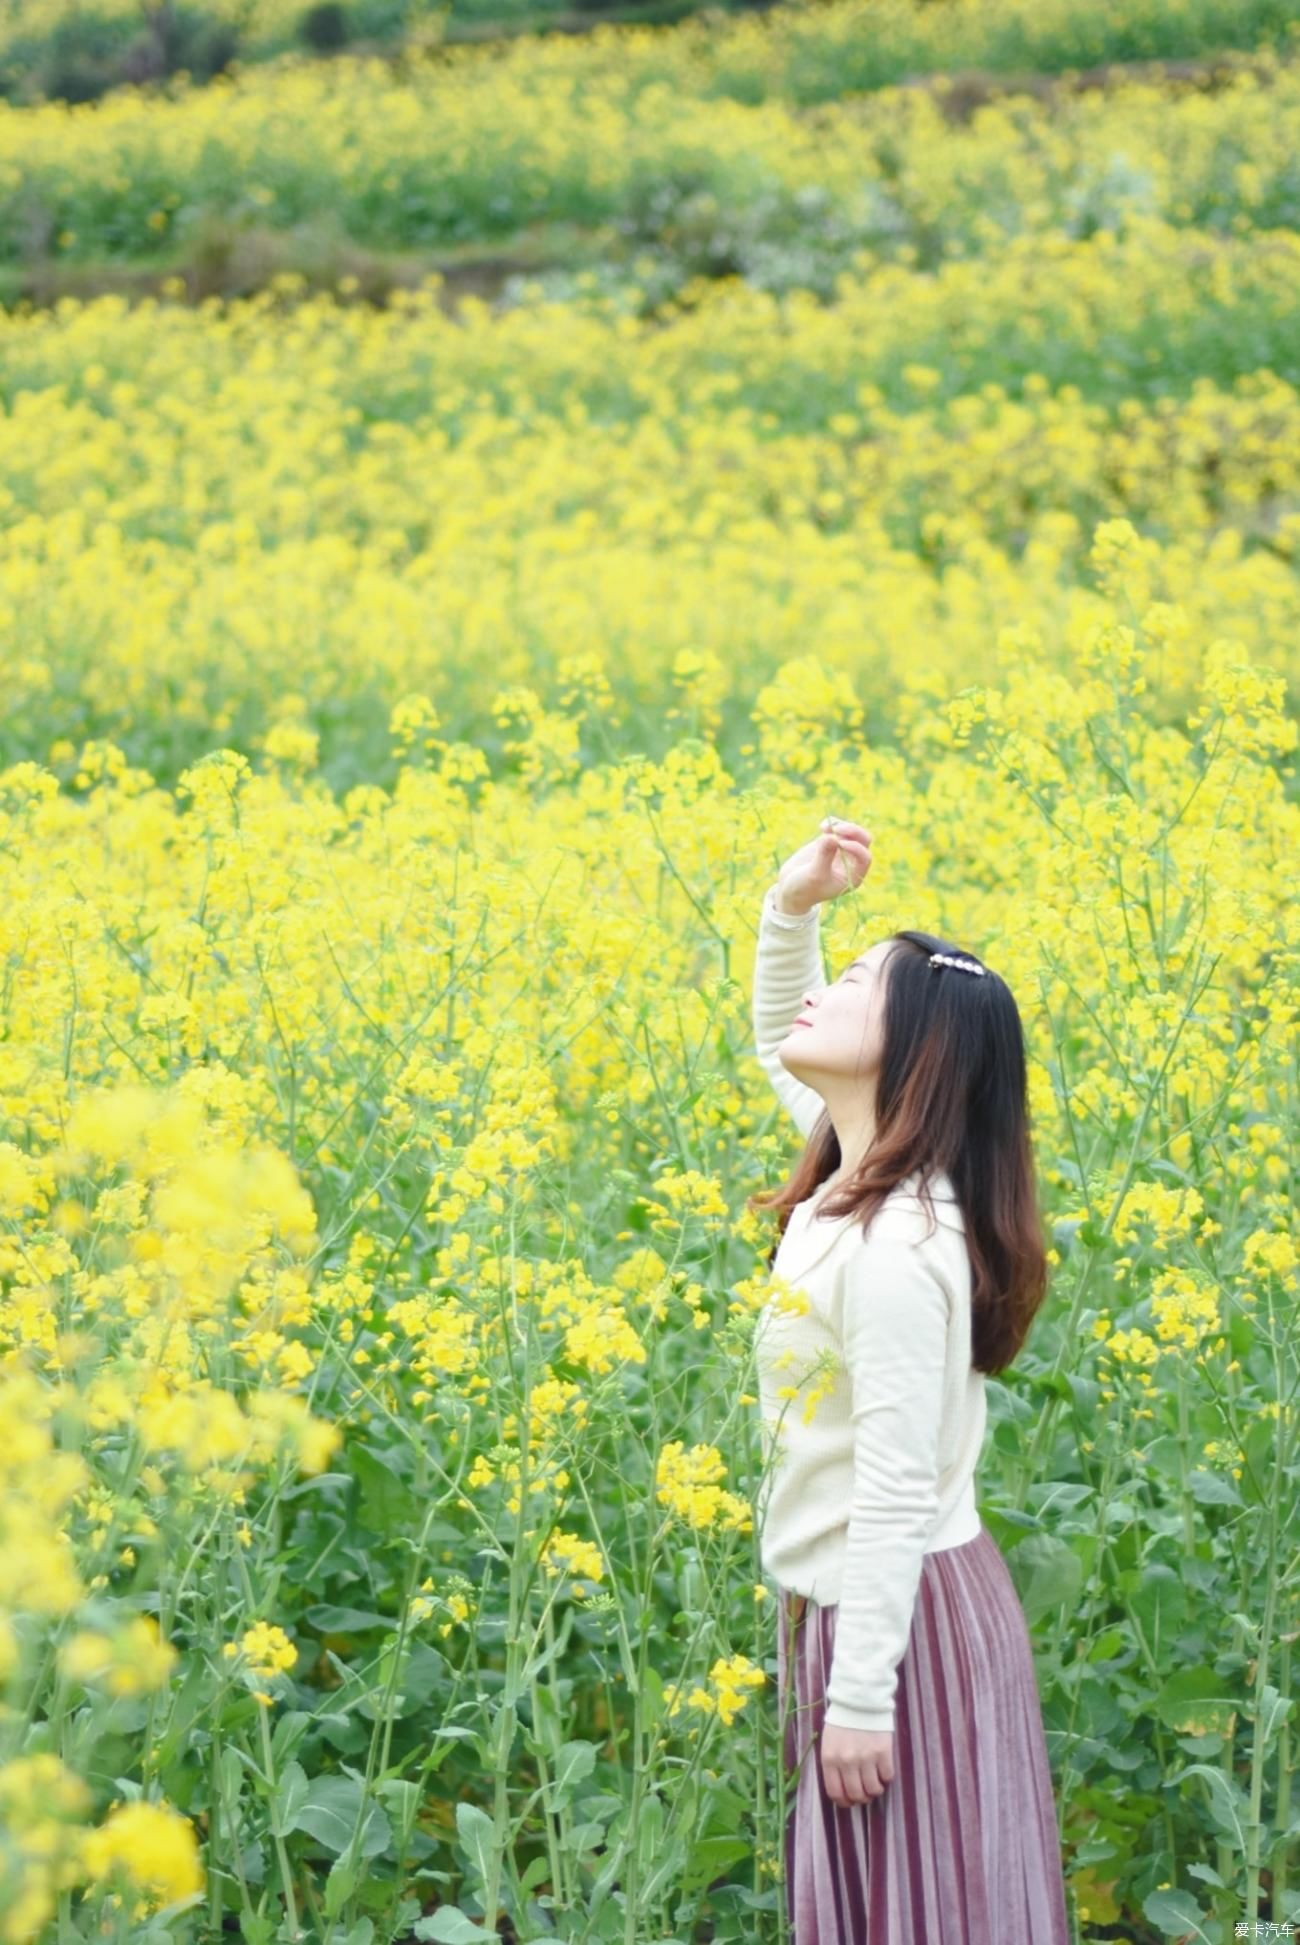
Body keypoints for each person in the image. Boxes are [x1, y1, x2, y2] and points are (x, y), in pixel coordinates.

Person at [750, 815, 1071, 1943]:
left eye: (848, 983)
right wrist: (793, 910)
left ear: (915, 1053)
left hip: (901, 1626)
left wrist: (857, 1700)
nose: (814, 997)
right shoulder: (850, 1171)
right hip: (867, 1610)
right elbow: (771, 1033)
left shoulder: (896, 1244)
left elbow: (892, 1484)